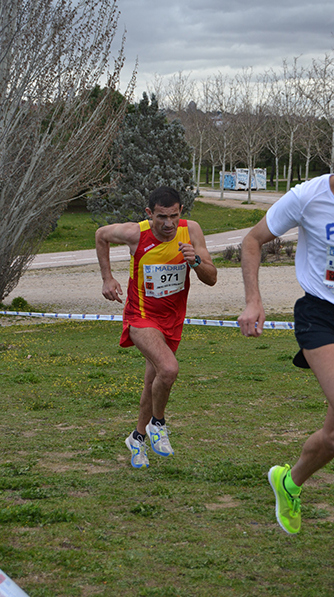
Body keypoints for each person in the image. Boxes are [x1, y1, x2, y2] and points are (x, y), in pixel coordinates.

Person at [238, 116, 334, 596]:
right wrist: (253, 301)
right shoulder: (308, 196)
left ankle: (288, 480)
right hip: (320, 318)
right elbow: (252, 241)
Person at [95, 186, 217, 470]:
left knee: (153, 383)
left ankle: (137, 438)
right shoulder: (135, 233)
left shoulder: (192, 231)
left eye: (173, 216)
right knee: (169, 368)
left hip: (172, 320)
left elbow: (211, 278)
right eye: (161, 217)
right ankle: (157, 425)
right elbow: (101, 235)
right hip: (141, 317)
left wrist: (196, 261)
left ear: (180, 212)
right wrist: (107, 278)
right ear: (149, 214)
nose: (168, 224)